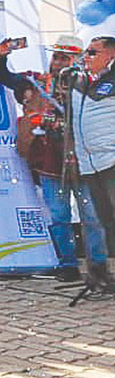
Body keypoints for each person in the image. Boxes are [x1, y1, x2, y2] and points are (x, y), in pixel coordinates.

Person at [0, 34, 88, 282]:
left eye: (64, 58)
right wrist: (1, 56)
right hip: (49, 160)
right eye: (56, 56)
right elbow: (5, 77)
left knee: (94, 216)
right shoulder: (35, 82)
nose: (57, 62)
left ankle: (98, 267)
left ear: (77, 61)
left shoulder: (89, 87)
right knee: (58, 215)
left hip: (85, 160)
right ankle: (68, 265)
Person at [71, 36, 115, 283]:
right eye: (86, 52)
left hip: (112, 160)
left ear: (109, 56)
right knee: (106, 222)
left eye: (92, 52)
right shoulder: (80, 81)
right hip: (90, 162)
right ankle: (107, 275)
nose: (86, 57)